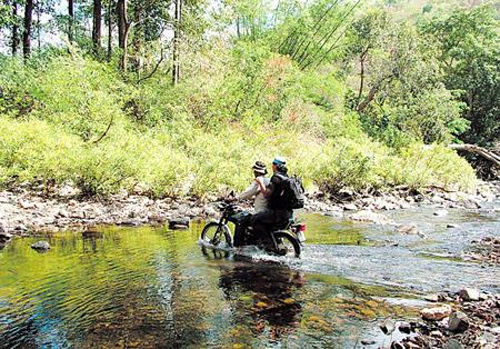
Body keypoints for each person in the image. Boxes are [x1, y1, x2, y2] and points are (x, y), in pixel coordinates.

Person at [250, 157, 292, 237]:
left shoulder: (276, 178)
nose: (272, 166)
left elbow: (266, 194)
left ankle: (267, 242)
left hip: (277, 213)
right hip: (288, 212)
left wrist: (260, 182)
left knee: (254, 219)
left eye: (272, 164)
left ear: (275, 166)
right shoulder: (286, 177)